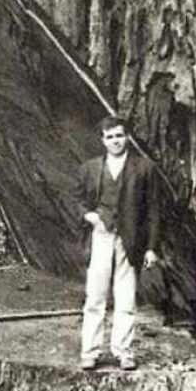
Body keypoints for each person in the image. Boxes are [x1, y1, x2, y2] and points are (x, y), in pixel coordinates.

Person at [74, 115, 161, 371]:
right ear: (103, 140)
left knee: (125, 299)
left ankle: (124, 351)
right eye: (110, 137)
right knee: (95, 297)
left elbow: (154, 210)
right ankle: (90, 352)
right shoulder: (90, 168)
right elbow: (77, 199)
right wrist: (88, 215)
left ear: (127, 137)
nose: (115, 141)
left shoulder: (144, 167)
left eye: (120, 136)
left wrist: (151, 247)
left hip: (131, 240)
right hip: (100, 237)